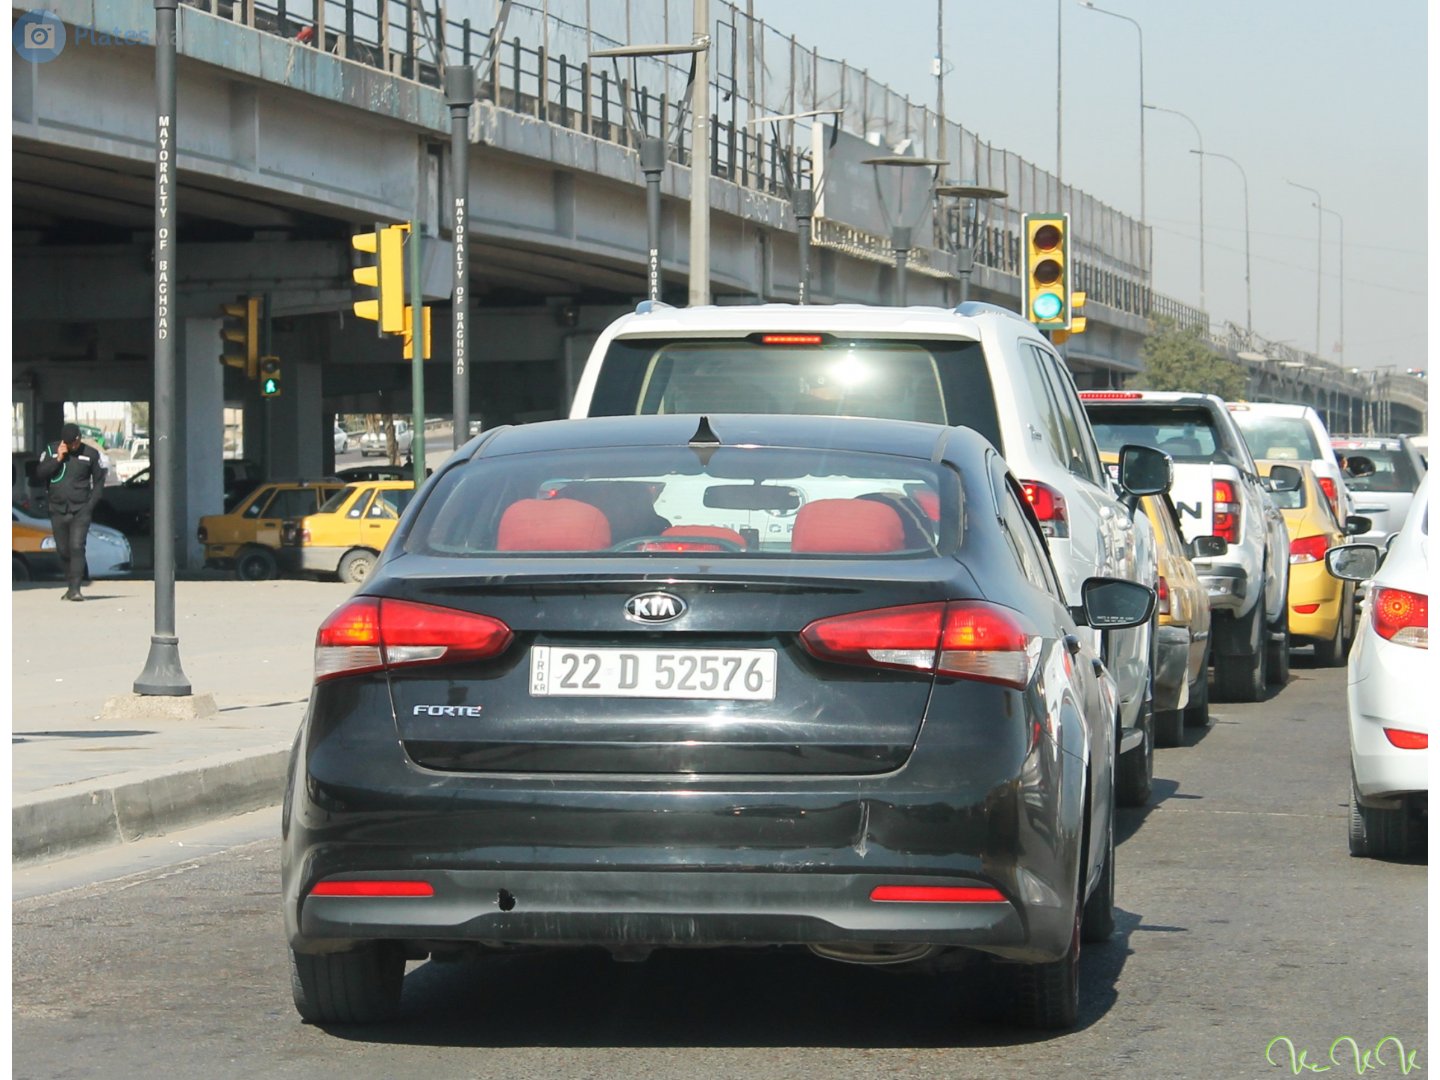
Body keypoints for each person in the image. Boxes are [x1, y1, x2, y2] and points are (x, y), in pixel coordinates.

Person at [34, 422, 107, 601]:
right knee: (63, 550)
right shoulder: (52, 451)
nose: (71, 446)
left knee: (77, 547)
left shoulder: (90, 454)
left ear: (79, 439)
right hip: (57, 509)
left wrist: (91, 504)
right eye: (67, 443)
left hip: (80, 509)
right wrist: (58, 458)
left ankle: (76, 589)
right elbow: (40, 474)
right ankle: (70, 585)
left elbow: (99, 481)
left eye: (74, 442)